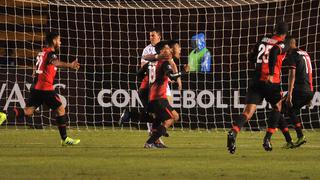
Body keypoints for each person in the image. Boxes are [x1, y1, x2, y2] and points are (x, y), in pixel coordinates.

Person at [6, 32, 80, 146]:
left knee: (28, 111)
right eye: (59, 40)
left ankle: (4, 115)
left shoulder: (41, 52)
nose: (60, 42)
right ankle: (64, 139)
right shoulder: (50, 53)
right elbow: (55, 62)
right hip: (46, 89)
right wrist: (70, 65)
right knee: (61, 109)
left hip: (37, 88)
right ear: (54, 41)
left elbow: (36, 69)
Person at [227, 22, 289, 153]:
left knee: (248, 112)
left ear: (274, 30)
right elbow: (274, 52)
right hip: (270, 80)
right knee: (277, 106)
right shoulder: (283, 43)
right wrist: (271, 73)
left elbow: (252, 55)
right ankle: (267, 139)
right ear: (285, 34)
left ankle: (234, 131)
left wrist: (255, 63)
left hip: (256, 78)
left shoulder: (264, 39)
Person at [139, 41, 180, 148]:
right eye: (176, 47)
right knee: (169, 118)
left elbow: (139, 73)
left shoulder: (155, 61)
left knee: (170, 116)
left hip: (154, 93)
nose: (178, 49)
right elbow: (173, 76)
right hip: (158, 96)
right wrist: (184, 71)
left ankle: (155, 138)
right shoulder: (165, 62)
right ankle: (151, 141)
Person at [279, 37, 314, 147]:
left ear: (289, 45)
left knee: (278, 108)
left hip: (300, 90)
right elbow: (310, 73)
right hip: (308, 90)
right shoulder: (305, 53)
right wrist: (310, 93)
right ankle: (298, 137)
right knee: (291, 111)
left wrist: (289, 94)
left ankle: (292, 140)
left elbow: (292, 75)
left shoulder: (293, 55)